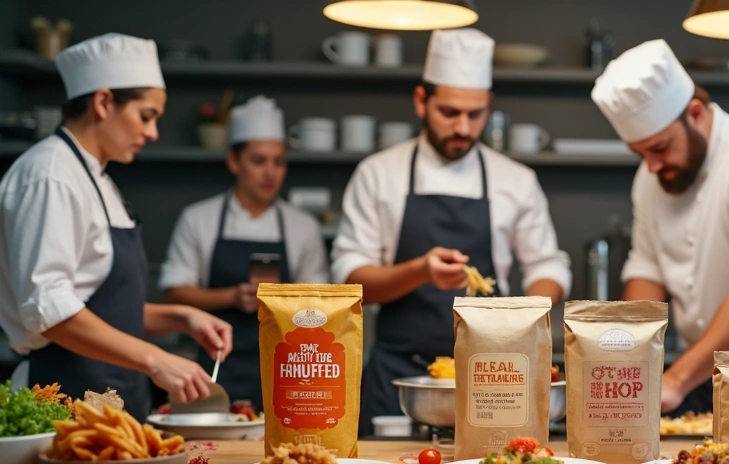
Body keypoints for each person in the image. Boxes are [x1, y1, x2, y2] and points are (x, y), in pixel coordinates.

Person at [331, 28, 571, 433]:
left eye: (475, 114)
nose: (462, 127)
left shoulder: (515, 179)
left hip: (493, 376)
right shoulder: (378, 174)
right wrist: (419, 271)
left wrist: (518, 318)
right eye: (449, 112)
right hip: (401, 381)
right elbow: (351, 282)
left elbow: (548, 266)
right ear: (421, 101)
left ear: (488, 105)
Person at [0, 33, 231, 420]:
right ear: (104, 102)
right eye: (146, 115)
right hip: (63, 400)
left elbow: (102, 305)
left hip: (112, 398)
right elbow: (48, 308)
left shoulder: (97, 178)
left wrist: (179, 317)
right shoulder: (50, 175)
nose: (153, 133)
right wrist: (155, 359)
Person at [591, 39, 729, 414]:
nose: (651, 167)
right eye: (640, 153)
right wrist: (633, 363)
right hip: (698, 374)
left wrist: (675, 381)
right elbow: (646, 272)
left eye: (660, 148)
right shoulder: (652, 176)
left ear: (695, 113)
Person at [160, 95, 329, 410]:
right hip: (218, 369)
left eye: (278, 162)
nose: (270, 172)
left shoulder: (302, 226)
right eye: (259, 160)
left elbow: (321, 301)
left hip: (290, 371)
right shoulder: (199, 218)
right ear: (234, 161)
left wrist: (282, 299)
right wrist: (232, 297)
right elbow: (175, 293)